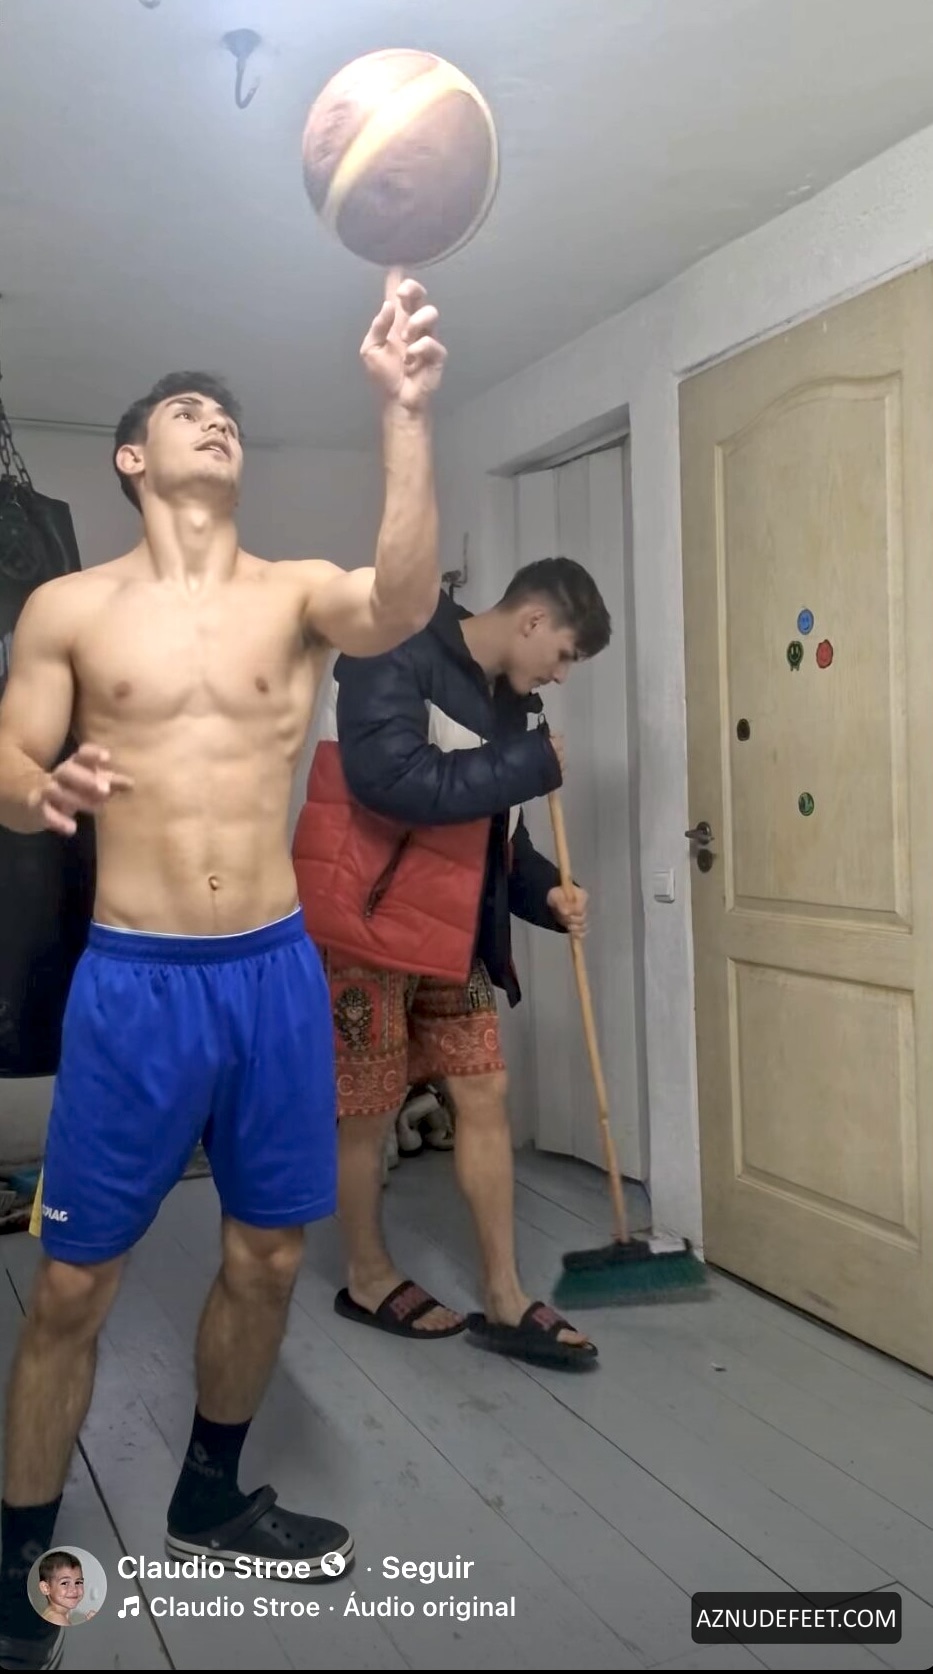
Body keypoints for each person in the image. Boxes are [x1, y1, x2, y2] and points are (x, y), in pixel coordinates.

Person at [0, 268, 447, 1672]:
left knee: (268, 1253)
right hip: (135, 982)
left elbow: (401, 599)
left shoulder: (296, 593)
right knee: (73, 1286)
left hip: (271, 974)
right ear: (132, 457)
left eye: (227, 412)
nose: (215, 420)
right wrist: (38, 788)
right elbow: (9, 758)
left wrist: (402, 411)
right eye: (185, 409)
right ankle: (17, 1555)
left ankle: (209, 1494)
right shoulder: (68, 606)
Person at [293, 556, 611, 1371]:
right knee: (366, 1108)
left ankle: (503, 1295)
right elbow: (389, 779)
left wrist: (546, 893)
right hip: (365, 922)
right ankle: (367, 1276)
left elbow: (497, 832)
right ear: (532, 620)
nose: (562, 675)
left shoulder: (513, 705)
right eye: (565, 654)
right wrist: (530, 762)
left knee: (483, 1091)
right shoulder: (391, 640)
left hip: (452, 929)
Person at [34, 1554, 93, 1629]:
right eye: (64, 1583)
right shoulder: (57, 1619)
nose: (74, 1590)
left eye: (78, 1582)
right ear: (46, 1588)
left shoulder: (54, 1616)